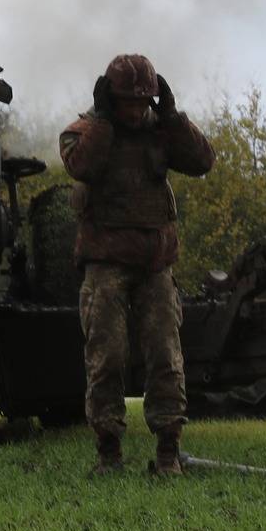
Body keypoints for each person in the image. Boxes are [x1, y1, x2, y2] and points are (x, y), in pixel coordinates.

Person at [59, 52, 214, 477]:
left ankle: (168, 451)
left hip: (155, 266)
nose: (137, 109)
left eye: (144, 101)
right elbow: (81, 166)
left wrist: (172, 116)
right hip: (105, 266)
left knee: (166, 357)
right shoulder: (84, 132)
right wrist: (106, 122)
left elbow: (203, 161)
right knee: (105, 358)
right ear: (111, 99)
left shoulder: (160, 132)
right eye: (129, 101)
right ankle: (109, 453)